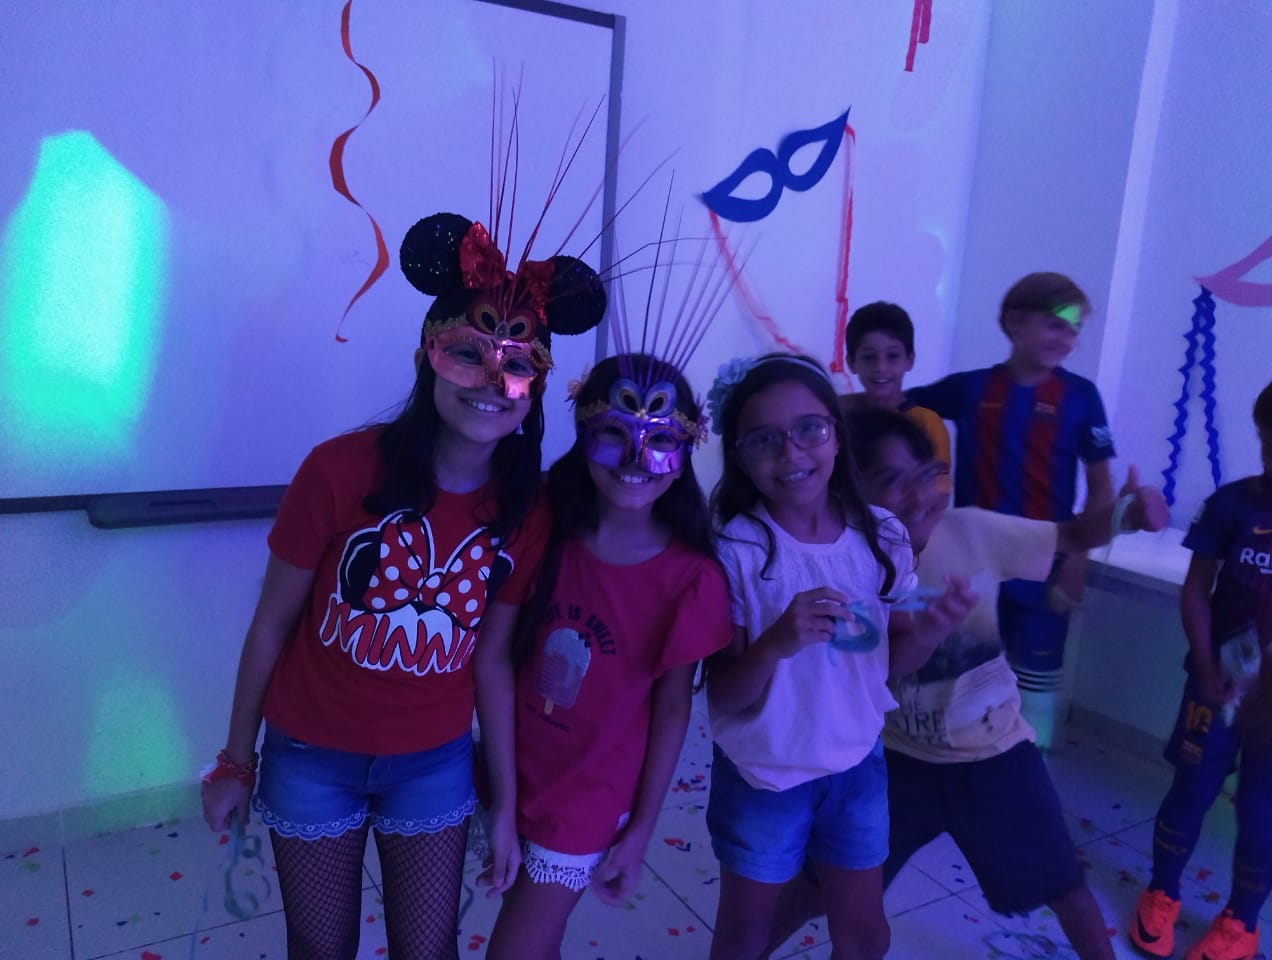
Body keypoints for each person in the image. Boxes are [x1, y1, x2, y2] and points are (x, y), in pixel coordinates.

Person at [200, 210, 605, 960]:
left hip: (432, 763)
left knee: (429, 950)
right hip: (310, 756)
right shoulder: (338, 469)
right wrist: (235, 760)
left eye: (518, 364)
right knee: (320, 949)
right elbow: (272, 623)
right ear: (427, 359)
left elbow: (492, 661)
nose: (493, 382)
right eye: (468, 353)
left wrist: (505, 807)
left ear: (537, 387)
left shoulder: (527, 508)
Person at [760, 407, 1167, 960]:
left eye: (927, 474)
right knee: (819, 885)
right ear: (851, 489)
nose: (919, 494)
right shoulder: (846, 560)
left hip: (995, 755)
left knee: (1064, 885)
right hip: (892, 763)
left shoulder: (970, 531)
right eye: (892, 479)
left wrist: (1128, 514)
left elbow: (1072, 534)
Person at [703, 353, 975, 960]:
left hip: (856, 763)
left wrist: (931, 630)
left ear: (835, 433)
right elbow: (724, 694)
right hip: (764, 773)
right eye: (764, 439)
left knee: (866, 935)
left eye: (809, 429)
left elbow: (893, 662)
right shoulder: (735, 550)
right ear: (739, 455)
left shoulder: (882, 535)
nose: (791, 453)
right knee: (744, 936)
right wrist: (776, 642)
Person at [483, 352, 731, 958]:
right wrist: (503, 801)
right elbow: (495, 658)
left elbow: (672, 709)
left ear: (686, 450)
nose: (635, 458)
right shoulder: (544, 526)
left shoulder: (691, 579)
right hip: (504, 767)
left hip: (586, 798)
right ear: (583, 430)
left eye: (661, 439)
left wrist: (641, 829)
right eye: (615, 433)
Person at [907, 272, 1116, 749]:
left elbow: (1102, 490)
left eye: (1074, 329)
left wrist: (1077, 563)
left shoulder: (1081, 397)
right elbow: (894, 405)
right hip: (973, 570)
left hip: (1046, 566)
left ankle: (1029, 769)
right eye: (1056, 324)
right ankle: (957, 766)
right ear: (1015, 322)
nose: (1067, 338)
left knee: (1036, 690)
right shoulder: (971, 388)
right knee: (965, 684)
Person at [1129, 380, 1272, 960]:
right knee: (1191, 788)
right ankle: (1161, 894)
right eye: (1269, 442)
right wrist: (1210, 666)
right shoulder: (1231, 504)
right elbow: (1196, 589)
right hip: (1214, 683)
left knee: (1261, 809)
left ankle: (1242, 922)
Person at [839, 300, 951, 481]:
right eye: (869, 357)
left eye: (892, 356)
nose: (880, 367)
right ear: (851, 362)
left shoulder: (927, 423)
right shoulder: (840, 412)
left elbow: (936, 492)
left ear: (910, 360)